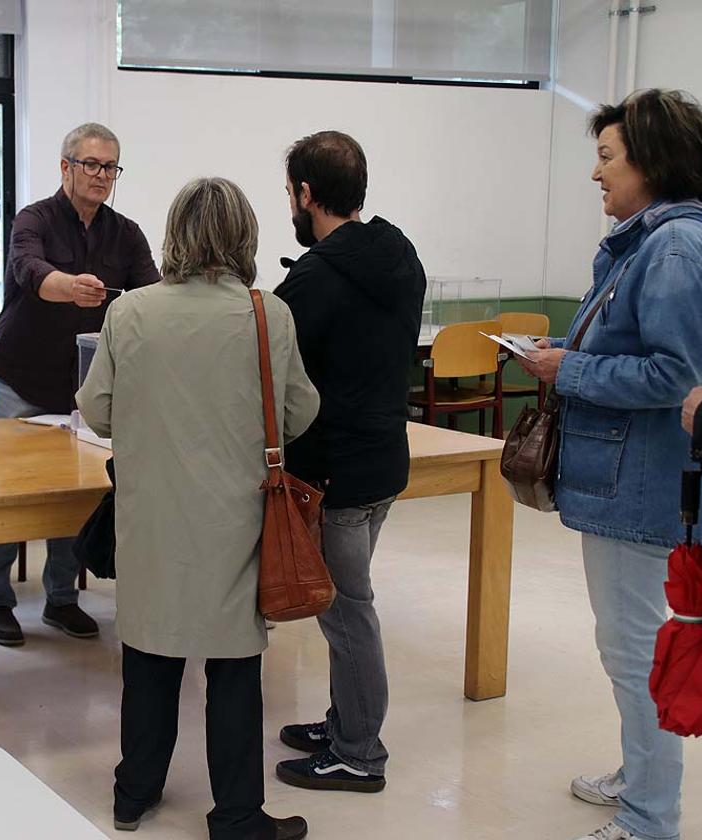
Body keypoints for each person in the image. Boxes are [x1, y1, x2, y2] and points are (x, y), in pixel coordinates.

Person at [76, 177, 320, 840]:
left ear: (174, 235)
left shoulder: (130, 314)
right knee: (234, 670)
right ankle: (237, 816)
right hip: (236, 520)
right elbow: (298, 412)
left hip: (151, 516)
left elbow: (96, 410)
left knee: (149, 659)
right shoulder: (268, 314)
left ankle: (134, 795)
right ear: (245, 237)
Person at [519, 89, 702, 840]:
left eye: (607, 158)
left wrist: (566, 370)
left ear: (653, 162)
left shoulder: (675, 247)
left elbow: (677, 375)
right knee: (626, 645)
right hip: (627, 481)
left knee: (636, 654)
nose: (597, 175)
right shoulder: (649, 242)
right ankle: (641, 776)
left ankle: (648, 818)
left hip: (644, 488)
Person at [272, 131, 426, 794]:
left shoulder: (313, 279)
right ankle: (343, 724)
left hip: (337, 474)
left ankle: (359, 751)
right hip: (387, 461)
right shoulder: (399, 253)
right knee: (349, 606)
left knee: (347, 611)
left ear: (306, 194)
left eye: (290, 193)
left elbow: (274, 370)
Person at [0, 122, 160, 647]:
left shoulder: (125, 233)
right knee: (4, 497)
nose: (101, 175)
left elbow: (151, 292)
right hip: (23, 381)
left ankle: (61, 598)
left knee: (73, 497)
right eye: (91, 164)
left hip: (86, 392)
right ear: (66, 167)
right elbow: (28, 269)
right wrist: (69, 287)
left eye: (110, 167)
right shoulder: (33, 219)